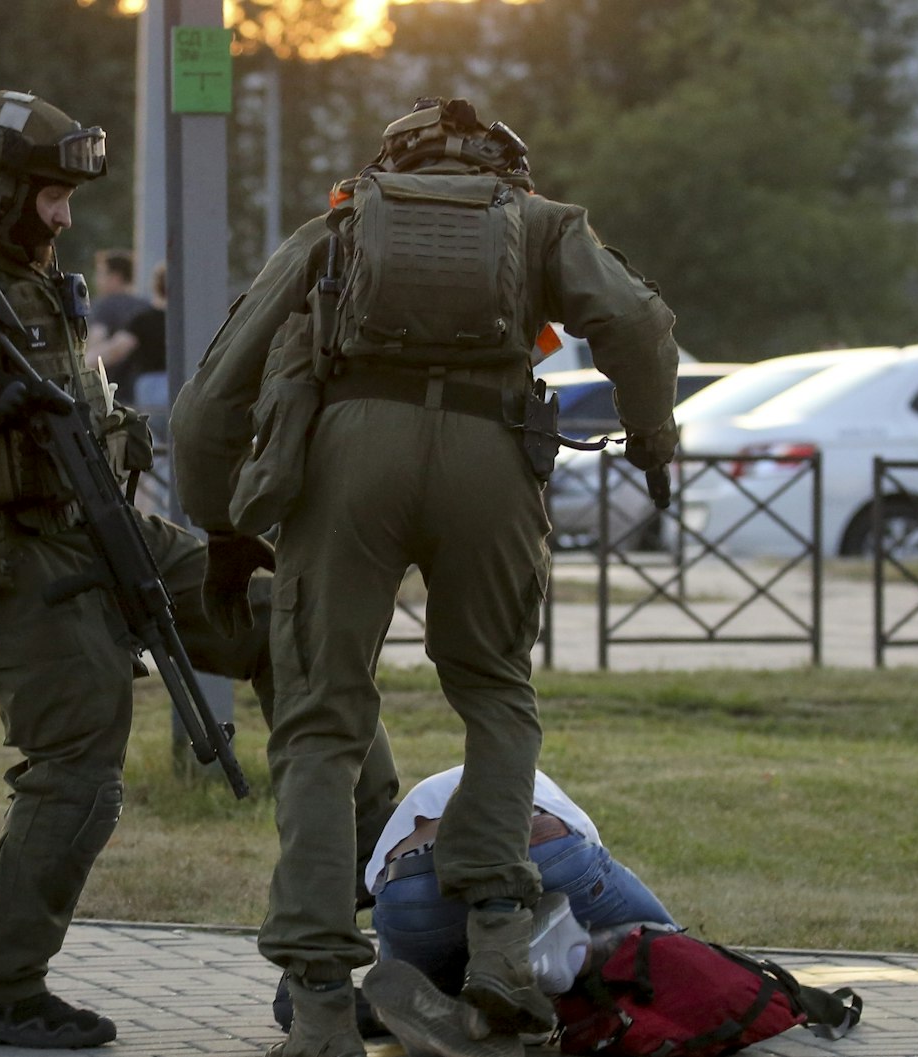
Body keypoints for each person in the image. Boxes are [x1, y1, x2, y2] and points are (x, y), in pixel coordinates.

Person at [0, 89, 400, 1050]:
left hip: (103, 525)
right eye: (50, 195)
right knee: (80, 765)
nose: (66, 216)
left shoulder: (26, 273)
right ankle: (0, 987)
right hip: (6, 552)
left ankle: (328, 945)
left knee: (295, 622)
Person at [172, 97, 681, 1057]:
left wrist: (223, 526)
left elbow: (210, 401)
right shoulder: (542, 225)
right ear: (503, 172)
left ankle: (320, 1003)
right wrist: (653, 434)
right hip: (492, 459)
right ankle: (499, 944)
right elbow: (638, 322)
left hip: (346, 463)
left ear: (393, 169)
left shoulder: (335, 229)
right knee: (495, 692)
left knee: (321, 719)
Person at [367, 767, 674, 997]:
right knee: (662, 938)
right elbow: (586, 854)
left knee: (410, 978)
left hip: (409, 882)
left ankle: (439, 991)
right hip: (539, 840)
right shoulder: (535, 780)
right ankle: (570, 955)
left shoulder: (425, 795)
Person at [94, 261, 168, 408]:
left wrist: (84, 364)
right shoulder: (190, 320)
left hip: (152, 387)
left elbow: (115, 349)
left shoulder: (146, 319)